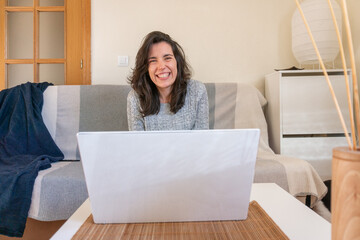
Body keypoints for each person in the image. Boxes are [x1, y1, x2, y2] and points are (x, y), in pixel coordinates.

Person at [127, 31, 209, 131]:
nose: (161, 66)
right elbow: (137, 144)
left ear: (177, 62)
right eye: (153, 60)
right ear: (146, 68)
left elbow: (202, 142)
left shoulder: (197, 91)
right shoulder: (135, 98)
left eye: (167, 58)